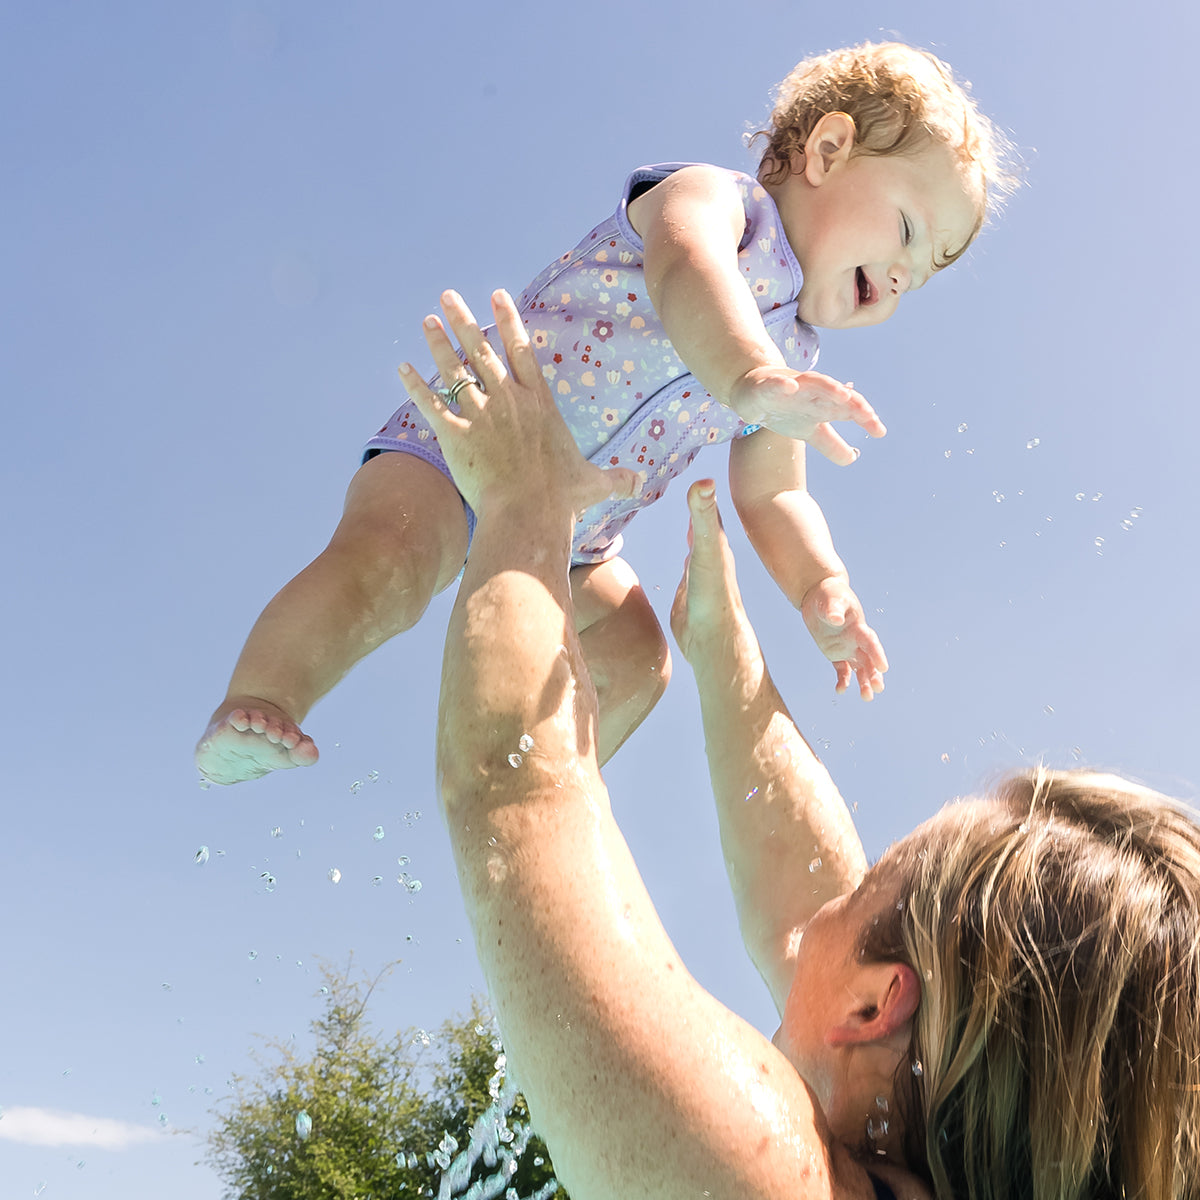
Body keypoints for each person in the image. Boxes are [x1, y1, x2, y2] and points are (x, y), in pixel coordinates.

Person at [405, 289, 1200, 1200]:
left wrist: (522, 498)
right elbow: (804, 914)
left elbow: (515, 788)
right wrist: (724, 656)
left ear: (875, 1005)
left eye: (868, 888)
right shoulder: (913, 1119)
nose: (838, 889)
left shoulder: (757, 1176)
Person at [196, 41, 1016, 786]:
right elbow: (686, 276)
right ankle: (264, 696)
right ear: (827, 151)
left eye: (928, 271)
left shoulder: (795, 358)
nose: (906, 273)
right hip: (474, 433)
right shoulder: (715, 204)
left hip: (575, 531)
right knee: (388, 566)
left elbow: (775, 495)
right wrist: (750, 379)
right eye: (908, 230)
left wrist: (821, 587)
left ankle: (529, 790)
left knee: (636, 656)